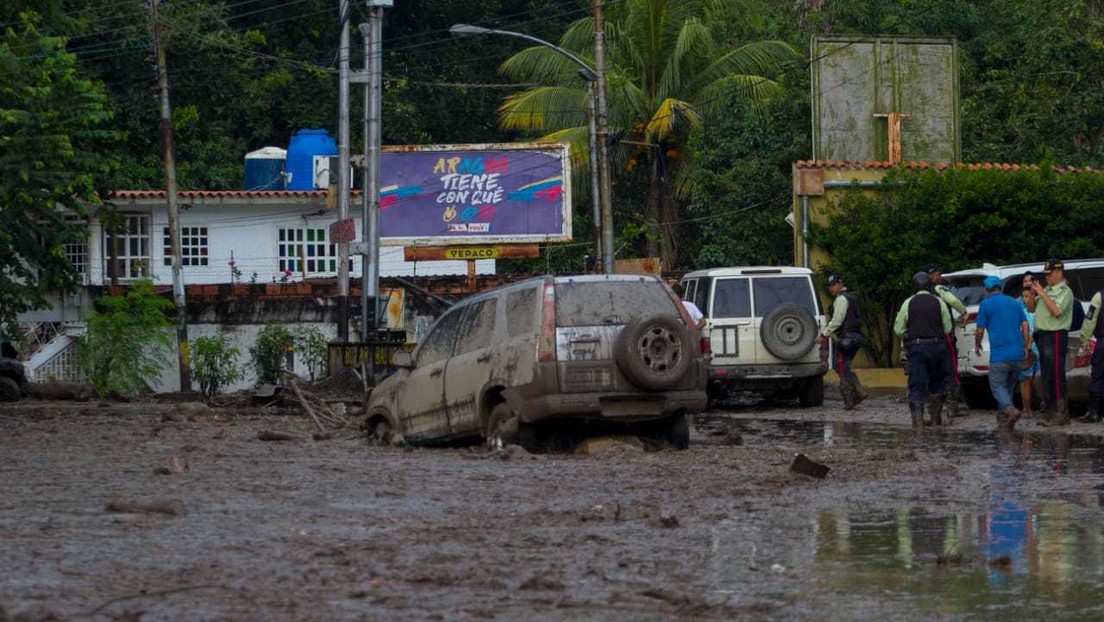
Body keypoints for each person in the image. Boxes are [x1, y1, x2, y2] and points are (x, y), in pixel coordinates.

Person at [894, 271, 952, 427]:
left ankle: (918, 422)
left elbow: (898, 329)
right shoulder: (939, 301)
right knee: (937, 382)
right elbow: (947, 328)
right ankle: (935, 420)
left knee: (916, 385)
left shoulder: (908, 303)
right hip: (937, 347)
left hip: (917, 348)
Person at [975, 276, 1031, 429]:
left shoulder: (985, 305)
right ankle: (1003, 420)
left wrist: (977, 344)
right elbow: (1025, 325)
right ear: (1000, 288)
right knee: (1008, 387)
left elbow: (979, 330)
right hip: (1017, 354)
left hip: (1000, 355)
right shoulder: (1014, 302)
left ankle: (1010, 410)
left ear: (986, 290)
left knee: (998, 385)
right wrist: (1026, 346)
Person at [1027, 259, 1074, 426]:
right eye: (1045, 274)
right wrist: (1033, 294)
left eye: (1050, 274)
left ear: (1059, 273)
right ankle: (1049, 410)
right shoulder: (1046, 289)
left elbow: (1056, 311)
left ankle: (1061, 413)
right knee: (1046, 375)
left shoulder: (1064, 291)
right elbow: (1031, 309)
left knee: (1055, 374)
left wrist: (1042, 293)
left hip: (1055, 334)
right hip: (1043, 335)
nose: (1047, 278)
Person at [925, 264, 968, 417]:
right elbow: (954, 301)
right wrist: (964, 312)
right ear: (932, 277)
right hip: (945, 336)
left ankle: (935, 406)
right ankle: (952, 407)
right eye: (937, 274)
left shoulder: (918, 295)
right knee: (950, 369)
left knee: (933, 372)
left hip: (927, 339)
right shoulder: (939, 290)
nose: (939, 277)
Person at [822, 275, 866, 409]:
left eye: (834, 285)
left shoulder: (841, 299)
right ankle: (857, 394)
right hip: (856, 337)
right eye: (830, 285)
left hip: (846, 339)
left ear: (840, 283)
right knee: (844, 366)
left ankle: (853, 397)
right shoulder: (852, 297)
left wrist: (824, 333)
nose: (831, 288)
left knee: (839, 366)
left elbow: (837, 321)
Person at [1076, 286, 1103, 423]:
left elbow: (1090, 320)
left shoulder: (1099, 296)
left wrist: (1085, 339)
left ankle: (1094, 412)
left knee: (1097, 377)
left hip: (1102, 343)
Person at [1015, 272, 1040, 418]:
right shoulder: (1020, 312)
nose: (1026, 298)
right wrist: (1026, 344)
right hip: (1026, 350)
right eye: (1024, 296)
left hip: (1039, 349)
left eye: (1028, 296)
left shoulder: (1039, 308)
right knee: (1026, 380)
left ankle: (1037, 406)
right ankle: (1026, 408)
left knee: (1038, 379)